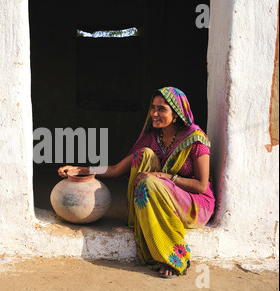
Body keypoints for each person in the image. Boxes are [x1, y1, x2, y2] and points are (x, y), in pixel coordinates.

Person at [58, 87, 215, 278]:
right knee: (144, 156)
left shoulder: (195, 139)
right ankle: (142, 220)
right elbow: (116, 169)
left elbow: (201, 185)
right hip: (164, 199)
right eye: (153, 108)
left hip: (194, 204)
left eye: (162, 109)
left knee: (151, 182)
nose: (154, 114)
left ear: (176, 113)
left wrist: (164, 177)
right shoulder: (152, 138)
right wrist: (80, 169)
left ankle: (173, 258)